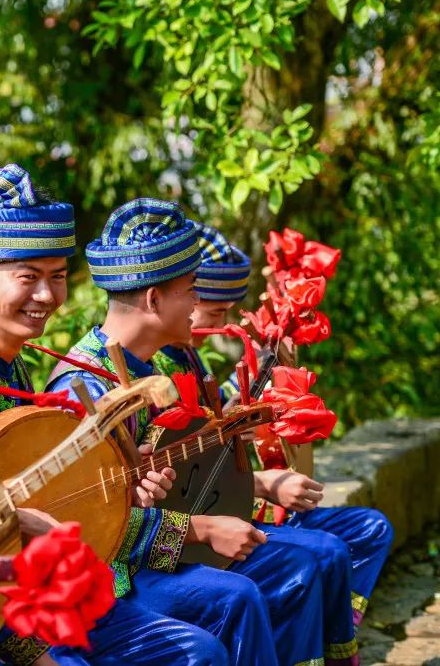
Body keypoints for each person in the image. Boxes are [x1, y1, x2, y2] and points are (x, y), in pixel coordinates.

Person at [0, 165, 232, 666]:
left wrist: (119, 490)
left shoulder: (18, 370)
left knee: (202, 649)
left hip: (42, 595)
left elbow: (49, 498)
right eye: (28, 277)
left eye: (58, 277)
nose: (47, 296)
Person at [46, 198, 329, 666]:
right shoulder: (84, 386)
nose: (198, 303)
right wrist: (202, 528)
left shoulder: (149, 368)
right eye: (190, 290)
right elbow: (83, 523)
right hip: (112, 582)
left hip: (146, 557)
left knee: (297, 564)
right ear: (154, 299)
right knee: (234, 597)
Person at [154, 222, 393, 644]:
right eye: (209, 307)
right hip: (188, 538)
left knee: (369, 528)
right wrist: (262, 483)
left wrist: (272, 368)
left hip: (232, 511)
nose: (219, 320)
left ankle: (333, 626)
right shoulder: (147, 369)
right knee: (317, 555)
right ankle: (328, 634)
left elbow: (222, 416)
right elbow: (178, 480)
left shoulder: (189, 357)